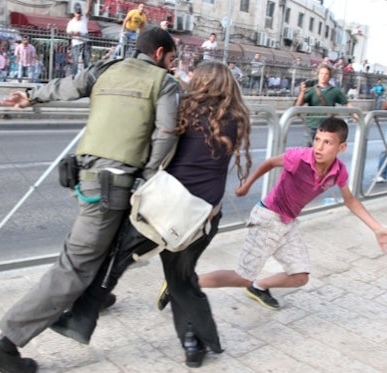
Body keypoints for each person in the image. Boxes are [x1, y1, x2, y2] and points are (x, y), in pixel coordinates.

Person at [0, 26, 180, 373]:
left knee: (110, 247)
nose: (172, 66)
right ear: (160, 53)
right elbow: (165, 133)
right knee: (73, 267)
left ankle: (95, 300)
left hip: (91, 178)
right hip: (112, 187)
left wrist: (31, 95)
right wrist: (147, 180)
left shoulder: (107, 68)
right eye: (172, 59)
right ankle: (5, 345)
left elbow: (68, 85)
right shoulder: (165, 83)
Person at [47, 61, 252, 368]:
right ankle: (194, 344)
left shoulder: (184, 113)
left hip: (163, 208)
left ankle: (80, 318)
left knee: (114, 259)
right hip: (202, 218)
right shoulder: (234, 121)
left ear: (200, 85)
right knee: (181, 279)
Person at [157, 117, 387, 311]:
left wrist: (377, 228)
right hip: (267, 217)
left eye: (327, 142)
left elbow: (350, 200)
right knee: (241, 276)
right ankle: (181, 282)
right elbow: (271, 162)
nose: (319, 147)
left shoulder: (338, 170)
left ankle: (259, 287)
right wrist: (246, 186)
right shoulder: (300, 157)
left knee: (300, 277)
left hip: (288, 222)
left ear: (341, 147)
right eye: (317, 139)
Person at [295, 63, 356, 146]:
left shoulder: (334, 91)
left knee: (324, 152)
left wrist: (356, 114)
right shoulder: (311, 90)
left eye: (326, 74)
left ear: (330, 76)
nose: (323, 76)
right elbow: (297, 106)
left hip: (327, 127)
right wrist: (302, 91)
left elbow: (347, 103)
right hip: (312, 126)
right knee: (307, 151)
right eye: (321, 73)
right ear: (318, 75)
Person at [66, 1, 90, 75]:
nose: (79, 16)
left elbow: (87, 10)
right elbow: (68, 32)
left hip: (85, 42)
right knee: (75, 62)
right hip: (76, 43)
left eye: (80, 14)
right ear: (74, 13)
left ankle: (86, 76)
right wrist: (74, 33)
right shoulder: (71, 22)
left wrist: (89, 2)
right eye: (77, 14)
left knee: (86, 61)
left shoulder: (84, 18)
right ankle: (73, 77)